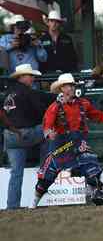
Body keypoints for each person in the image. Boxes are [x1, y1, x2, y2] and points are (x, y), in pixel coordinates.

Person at [30, 73, 103, 208]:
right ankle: (33, 204)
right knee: (48, 175)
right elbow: (47, 124)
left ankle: (96, 195)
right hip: (62, 144)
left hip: (79, 142)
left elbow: (98, 116)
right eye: (68, 86)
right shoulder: (54, 107)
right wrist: (48, 133)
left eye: (72, 85)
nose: (71, 88)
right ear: (62, 88)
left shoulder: (83, 104)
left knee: (91, 167)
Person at [3, 64, 55, 209]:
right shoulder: (28, 92)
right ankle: (46, 164)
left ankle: (12, 206)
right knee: (50, 129)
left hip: (10, 136)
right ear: (22, 77)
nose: (32, 78)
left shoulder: (8, 93)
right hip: (26, 134)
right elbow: (41, 112)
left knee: (16, 173)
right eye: (30, 75)